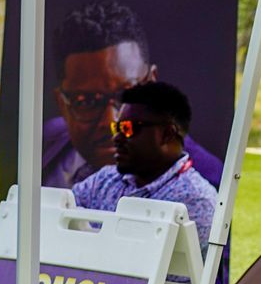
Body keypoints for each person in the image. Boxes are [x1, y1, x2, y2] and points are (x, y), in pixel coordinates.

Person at [42, 1, 221, 190]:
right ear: (62, 104)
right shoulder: (43, 143)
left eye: (127, 96)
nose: (111, 122)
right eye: (87, 102)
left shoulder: (205, 184)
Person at [70, 82, 219, 246]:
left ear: (167, 134)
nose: (116, 138)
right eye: (116, 128)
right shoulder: (103, 180)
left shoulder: (195, 201)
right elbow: (61, 216)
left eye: (128, 128)